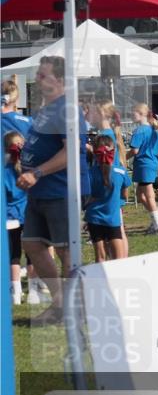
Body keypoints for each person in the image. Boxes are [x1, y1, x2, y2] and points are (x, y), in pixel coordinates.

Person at [15, 56, 90, 325]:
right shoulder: (45, 110)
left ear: (59, 80)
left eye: (43, 74)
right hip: (39, 191)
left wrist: (36, 172)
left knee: (66, 251)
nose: (37, 78)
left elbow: (70, 151)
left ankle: (74, 308)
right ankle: (60, 303)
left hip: (61, 190)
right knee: (32, 244)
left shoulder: (67, 110)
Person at [85, 135, 131, 262]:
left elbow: (87, 196)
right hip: (113, 218)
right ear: (114, 151)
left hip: (94, 218)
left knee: (100, 258)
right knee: (119, 259)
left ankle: (101, 282)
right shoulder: (121, 172)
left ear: (95, 153)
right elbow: (125, 195)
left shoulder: (89, 173)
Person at [127, 103, 158, 235]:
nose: (132, 114)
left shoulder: (139, 130)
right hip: (151, 163)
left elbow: (134, 150)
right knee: (140, 195)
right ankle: (157, 221)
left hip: (144, 164)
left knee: (148, 196)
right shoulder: (153, 130)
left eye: (134, 112)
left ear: (141, 114)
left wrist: (122, 158)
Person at [4, 132, 27, 304]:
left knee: (14, 255)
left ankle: (15, 292)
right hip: (28, 214)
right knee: (32, 253)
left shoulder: (4, 172)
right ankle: (34, 290)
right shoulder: (29, 168)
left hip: (10, 217)